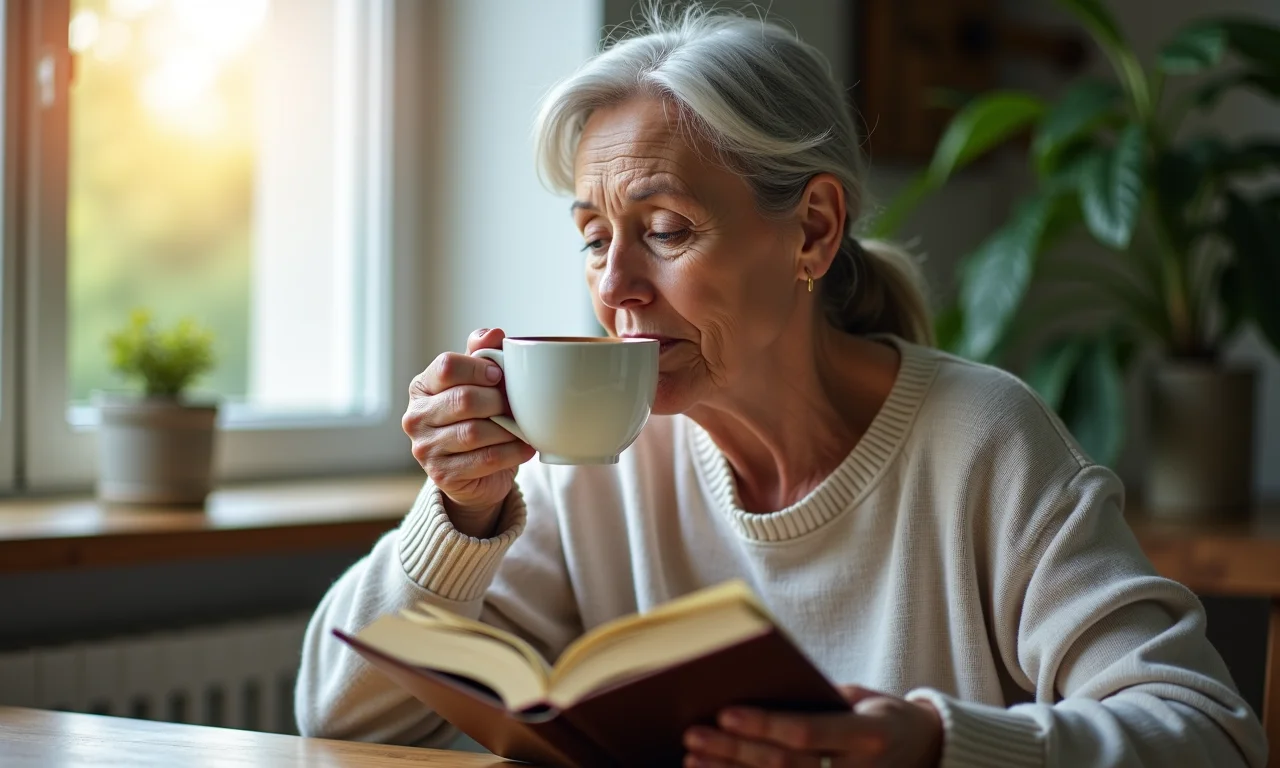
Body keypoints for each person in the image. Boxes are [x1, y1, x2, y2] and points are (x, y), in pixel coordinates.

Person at [295, 5, 1266, 766]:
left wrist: (935, 744)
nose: (614, 288)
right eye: (594, 240)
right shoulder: (595, 462)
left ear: (810, 231)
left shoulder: (979, 439)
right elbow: (335, 713)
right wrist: (459, 516)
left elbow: (1209, 735)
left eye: (665, 231)